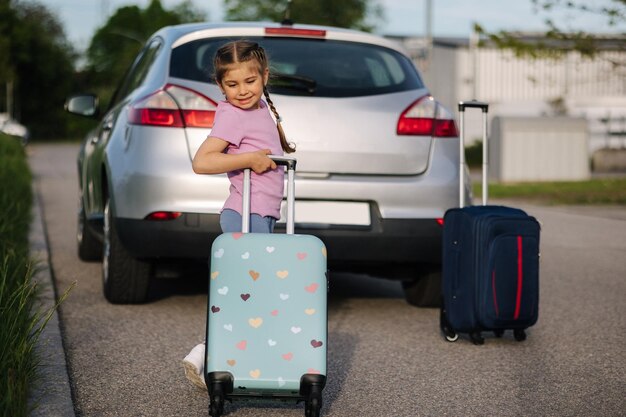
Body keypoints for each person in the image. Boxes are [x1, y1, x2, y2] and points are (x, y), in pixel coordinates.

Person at [182, 40, 295, 390]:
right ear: (220, 85)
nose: (242, 91)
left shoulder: (261, 107)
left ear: (264, 76)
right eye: (232, 84)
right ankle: (207, 354)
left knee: (253, 291)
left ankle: (238, 356)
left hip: (259, 215)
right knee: (250, 291)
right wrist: (247, 159)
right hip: (243, 215)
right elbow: (203, 161)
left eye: (249, 81)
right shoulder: (232, 114)